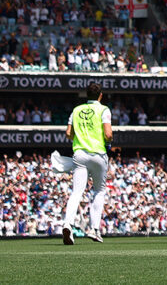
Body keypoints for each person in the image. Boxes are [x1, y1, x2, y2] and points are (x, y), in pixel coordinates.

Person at [62, 81, 113, 245]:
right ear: (100, 95)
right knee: (99, 191)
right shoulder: (103, 110)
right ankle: (94, 229)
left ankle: (67, 224)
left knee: (76, 192)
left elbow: (68, 134)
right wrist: (109, 141)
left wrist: (80, 137)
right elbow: (108, 134)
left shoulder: (76, 110)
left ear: (86, 95)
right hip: (98, 154)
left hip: (80, 154)